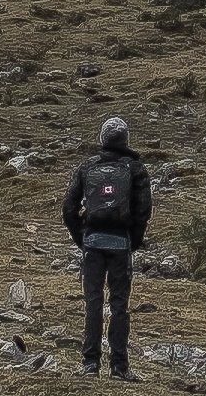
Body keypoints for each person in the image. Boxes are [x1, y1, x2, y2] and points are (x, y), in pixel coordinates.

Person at [63, 118, 152, 377]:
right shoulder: (135, 168)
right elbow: (144, 210)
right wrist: (132, 241)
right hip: (120, 243)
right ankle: (119, 367)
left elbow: (69, 207)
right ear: (126, 139)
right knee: (119, 305)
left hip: (92, 242)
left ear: (102, 138)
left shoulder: (87, 166)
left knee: (93, 303)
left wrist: (82, 237)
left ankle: (90, 364)